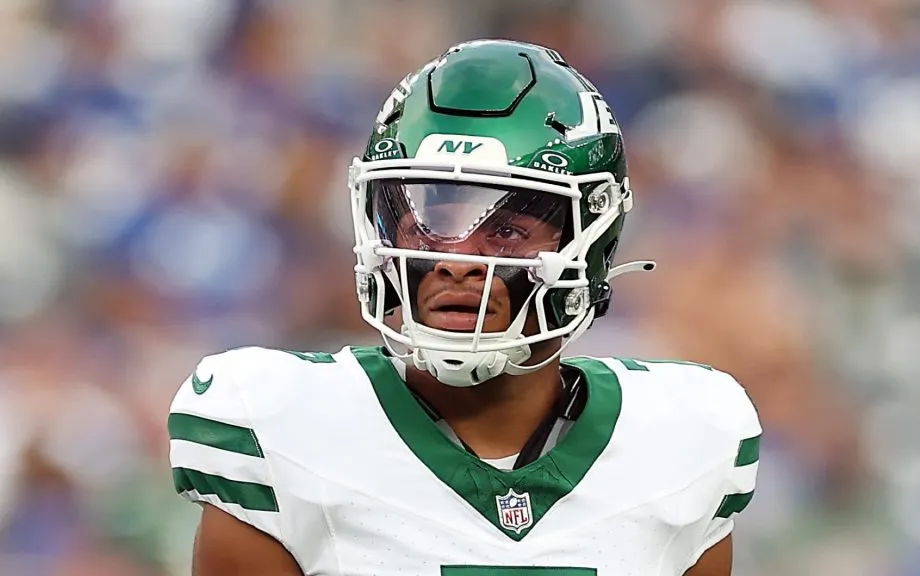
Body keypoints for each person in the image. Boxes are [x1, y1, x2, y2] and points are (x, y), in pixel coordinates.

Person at [168, 39, 761, 575]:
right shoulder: (276, 428)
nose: (456, 259)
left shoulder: (686, 441)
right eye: (429, 220)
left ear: (592, 240)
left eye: (507, 230)